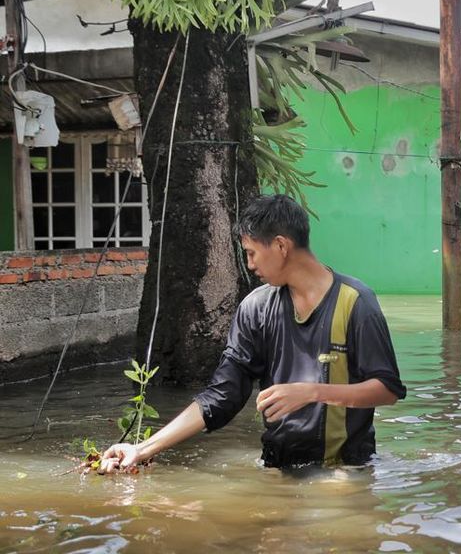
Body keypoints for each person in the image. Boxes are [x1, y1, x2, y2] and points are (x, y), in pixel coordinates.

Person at [99, 194, 406, 472]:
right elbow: (222, 396)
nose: (249, 265)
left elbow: (388, 390)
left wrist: (313, 392)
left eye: (252, 253)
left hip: (346, 471)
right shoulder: (255, 308)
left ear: (281, 246)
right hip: (277, 469)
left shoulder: (357, 302)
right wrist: (142, 449)